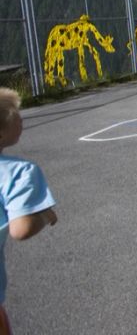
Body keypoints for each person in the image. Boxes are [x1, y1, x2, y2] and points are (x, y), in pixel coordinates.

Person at [0, 88, 58, 331]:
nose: (23, 120)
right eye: (17, 116)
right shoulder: (17, 173)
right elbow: (21, 228)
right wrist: (44, 214)